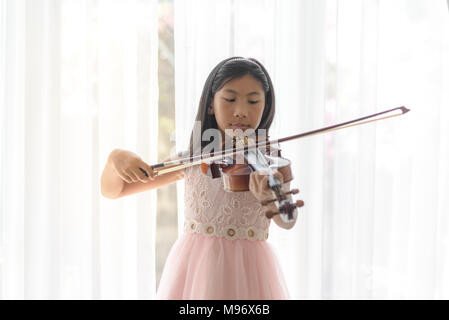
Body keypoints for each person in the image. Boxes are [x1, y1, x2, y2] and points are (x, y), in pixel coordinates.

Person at [100, 57, 299, 299]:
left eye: (254, 101)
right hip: (196, 271)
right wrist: (116, 158)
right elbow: (115, 190)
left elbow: (288, 220)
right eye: (230, 99)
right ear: (211, 105)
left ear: (265, 106)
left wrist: (270, 199)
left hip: (252, 274)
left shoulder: (270, 163)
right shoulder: (196, 159)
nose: (241, 111)